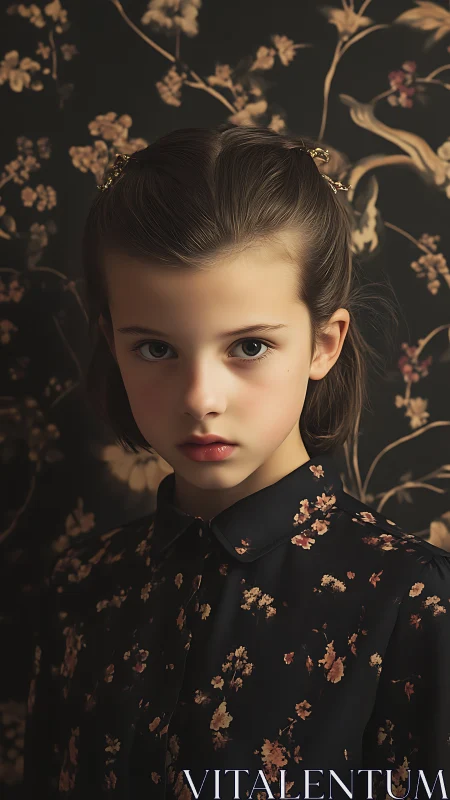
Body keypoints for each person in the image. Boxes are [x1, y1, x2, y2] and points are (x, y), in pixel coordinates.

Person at [23, 125, 450, 800]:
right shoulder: (81, 589)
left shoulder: (410, 600)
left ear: (323, 344)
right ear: (110, 343)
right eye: (156, 349)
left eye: (248, 347)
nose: (201, 399)